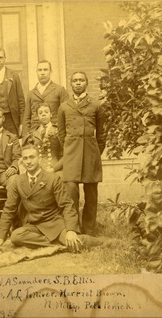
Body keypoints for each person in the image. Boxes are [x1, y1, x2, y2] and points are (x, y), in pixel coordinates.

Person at [0, 145, 102, 251]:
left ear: (39, 159)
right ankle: (59, 245)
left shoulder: (52, 178)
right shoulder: (18, 181)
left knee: (76, 242)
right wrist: (0, 237)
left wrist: (71, 230)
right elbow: (9, 209)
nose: (29, 161)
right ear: (22, 162)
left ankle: (103, 243)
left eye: (32, 157)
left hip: (54, 223)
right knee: (16, 237)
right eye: (25, 158)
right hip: (34, 225)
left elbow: (67, 205)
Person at [57, 71, 106, 235]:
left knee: (91, 193)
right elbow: (61, 135)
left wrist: (95, 153)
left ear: (87, 83)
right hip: (71, 154)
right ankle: (73, 228)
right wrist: (69, 150)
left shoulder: (95, 105)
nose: (78, 83)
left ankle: (89, 229)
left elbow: (101, 135)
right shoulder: (64, 106)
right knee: (70, 192)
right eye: (75, 80)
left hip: (91, 152)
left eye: (81, 80)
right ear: (71, 84)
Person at [22, 60, 69, 137]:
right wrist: (26, 137)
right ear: (36, 72)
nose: (42, 73)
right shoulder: (31, 93)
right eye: (40, 70)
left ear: (51, 71)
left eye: (45, 70)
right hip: (35, 135)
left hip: (54, 134)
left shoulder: (60, 90)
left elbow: (66, 115)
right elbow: (26, 118)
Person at [22, 103, 63, 173]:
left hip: (54, 168)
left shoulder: (58, 130)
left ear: (51, 114)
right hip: (37, 169)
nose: (43, 114)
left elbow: (66, 154)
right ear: (37, 117)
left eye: (46, 112)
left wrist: (54, 169)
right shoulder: (33, 133)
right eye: (40, 113)